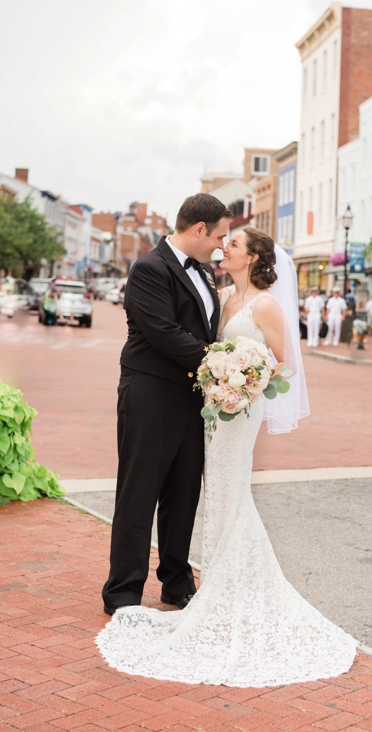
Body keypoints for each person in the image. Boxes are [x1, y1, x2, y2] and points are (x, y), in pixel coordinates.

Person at [97, 227, 356, 686]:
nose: (224, 247)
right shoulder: (220, 293)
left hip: (239, 408)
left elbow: (285, 361)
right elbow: (198, 339)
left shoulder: (267, 304)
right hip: (213, 407)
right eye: (222, 239)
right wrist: (222, 375)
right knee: (210, 491)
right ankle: (210, 583)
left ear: (254, 258)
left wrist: (244, 382)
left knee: (230, 491)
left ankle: (219, 584)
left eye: (232, 244)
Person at [102, 193, 230, 617]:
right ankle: (122, 592)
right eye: (219, 237)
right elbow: (164, 332)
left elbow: (205, 329)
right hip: (151, 394)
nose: (221, 246)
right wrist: (223, 366)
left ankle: (176, 583)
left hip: (193, 397)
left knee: (182, 493)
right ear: (198, 230)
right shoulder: (149, 269)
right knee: (139, 492)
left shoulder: (207, 274)